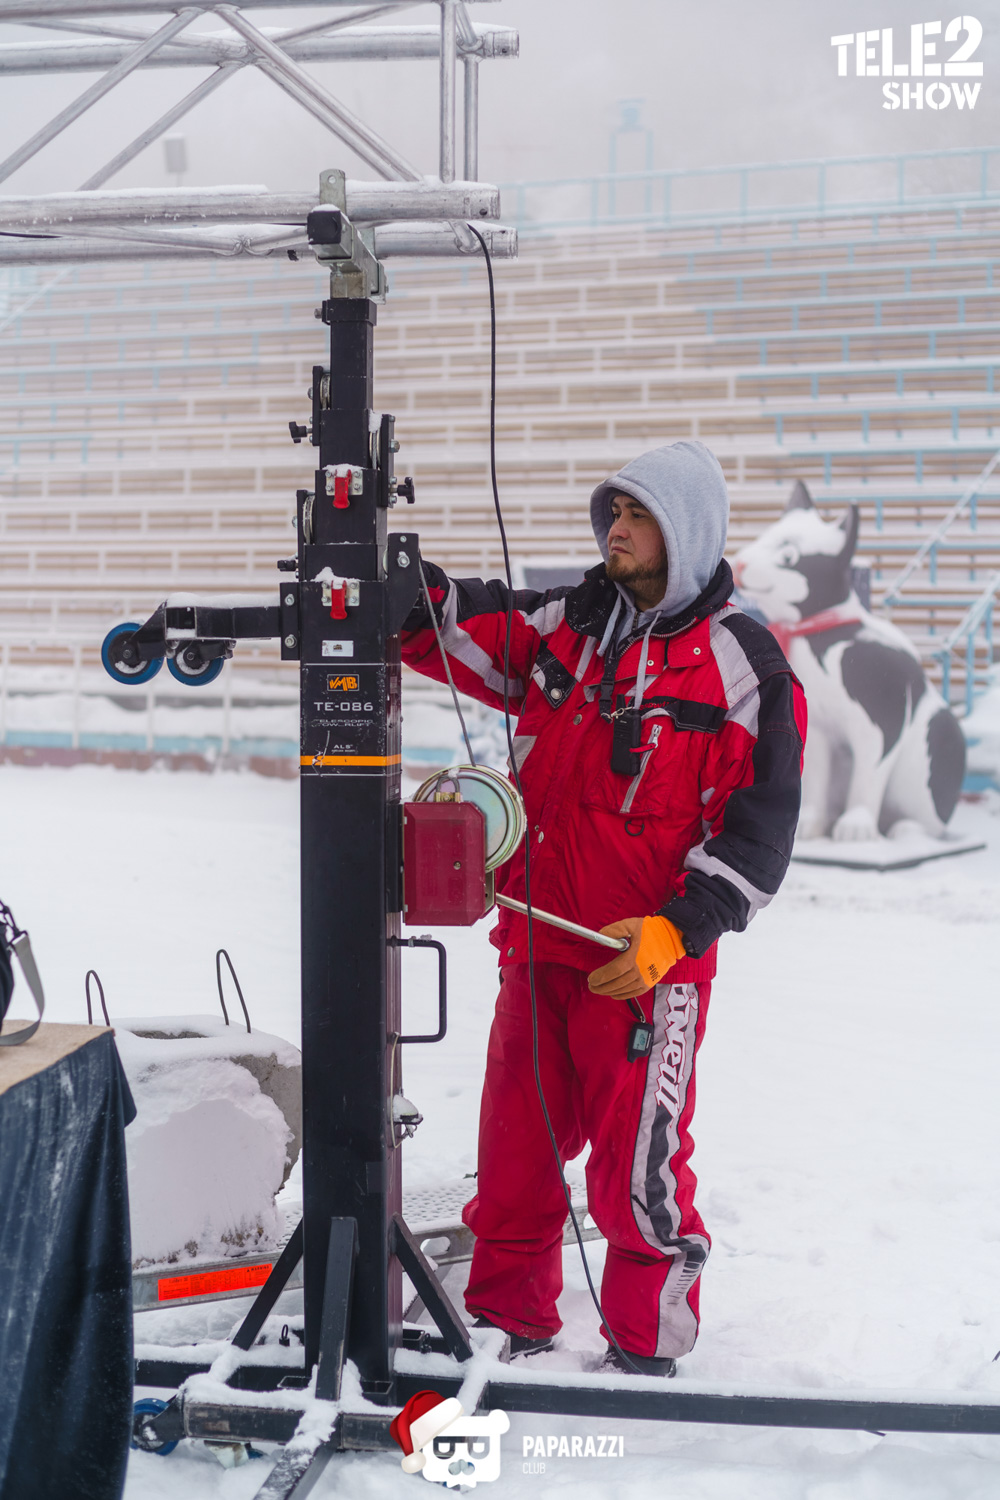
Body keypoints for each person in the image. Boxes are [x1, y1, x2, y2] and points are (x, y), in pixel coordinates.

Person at [400, 440, 806, 1376]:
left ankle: (644, 1343)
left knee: (636, 1175)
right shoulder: (571, 624)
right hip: (535, 947)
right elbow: (459, 627)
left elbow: (759, 834)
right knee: (515, 1162)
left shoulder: (743, 665)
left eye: (636, 516)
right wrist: (403, 587)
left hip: (642, 970)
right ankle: (508, 1323)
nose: (614, 531)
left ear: (685, 531)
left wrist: (677, 930)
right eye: (612, 514)